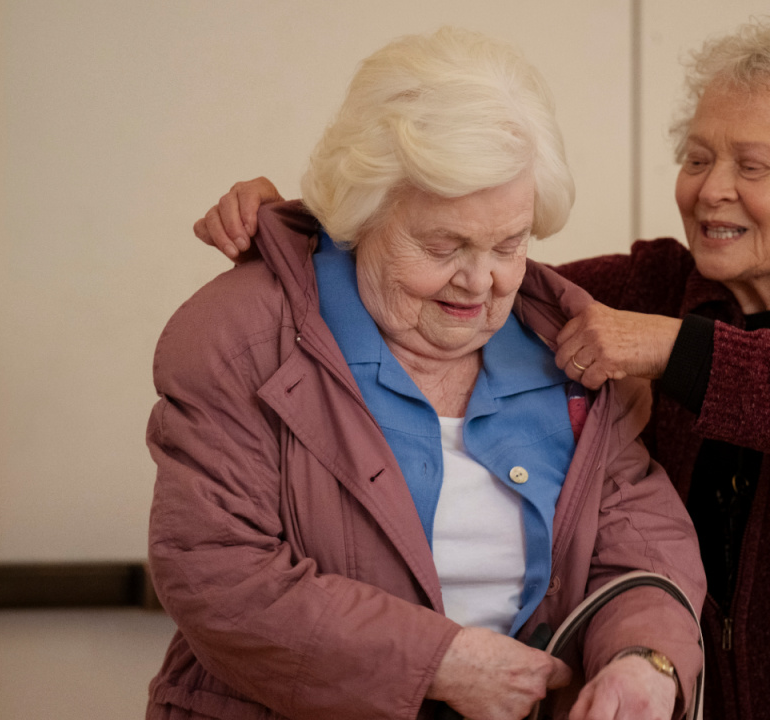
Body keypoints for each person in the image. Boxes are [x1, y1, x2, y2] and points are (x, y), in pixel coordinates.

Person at [193, 18, 770, 720]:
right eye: (697, 157)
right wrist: (306, 222)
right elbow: (459, 252)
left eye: (752, 165)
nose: (711, 189)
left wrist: (675, 351)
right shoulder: (658, 284)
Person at [148, 27, 705, 720]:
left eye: (509, 243)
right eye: (443, 244)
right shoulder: (240, 339)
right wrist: (437, 665)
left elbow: (640, 543)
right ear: (361, 213)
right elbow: (217, 573)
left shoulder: (568, 347)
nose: (480, 281)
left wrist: (646, 659)